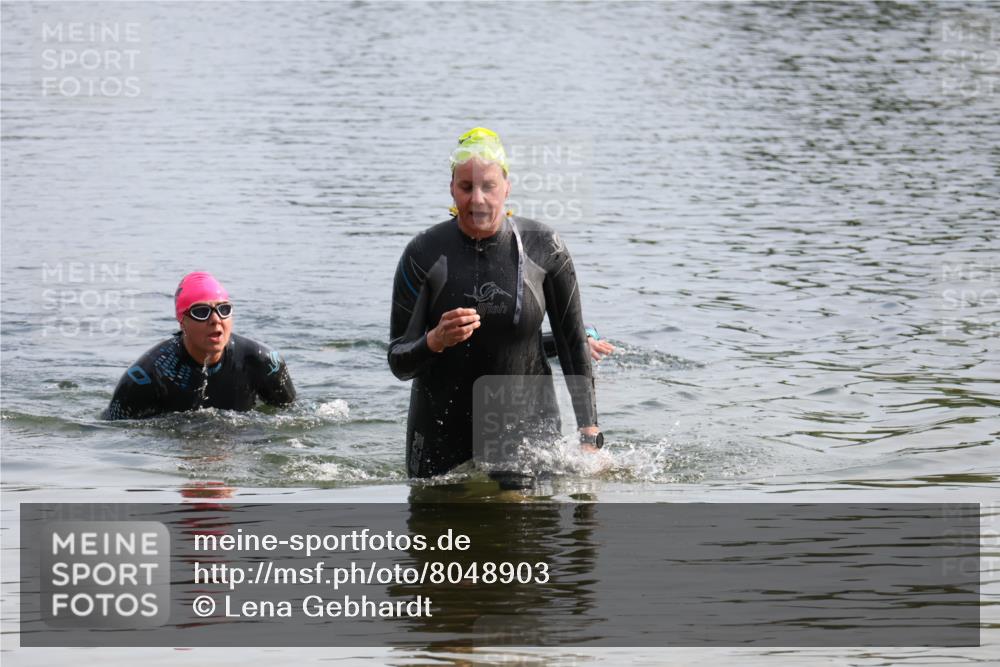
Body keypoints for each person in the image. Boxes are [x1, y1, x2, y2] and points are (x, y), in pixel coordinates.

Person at [389, 127, 604, 482]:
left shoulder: (545, 248)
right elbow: (398, 360)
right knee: (439, 536)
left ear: (506, 187)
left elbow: (571, 343)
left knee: (530, 532)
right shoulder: (423, 253)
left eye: (488, 186)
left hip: (528, 434)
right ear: (451, 189)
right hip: (440, 435)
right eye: (466, 187)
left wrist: (589, 433)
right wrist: (435, 340)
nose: (477, 200)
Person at [103, 271, 295, 420]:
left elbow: (294, 419)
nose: (215, 319)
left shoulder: (264, 362)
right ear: (182, 321)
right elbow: (115, 433)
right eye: (201, 312)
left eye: (224, 309)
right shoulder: (147, 376)